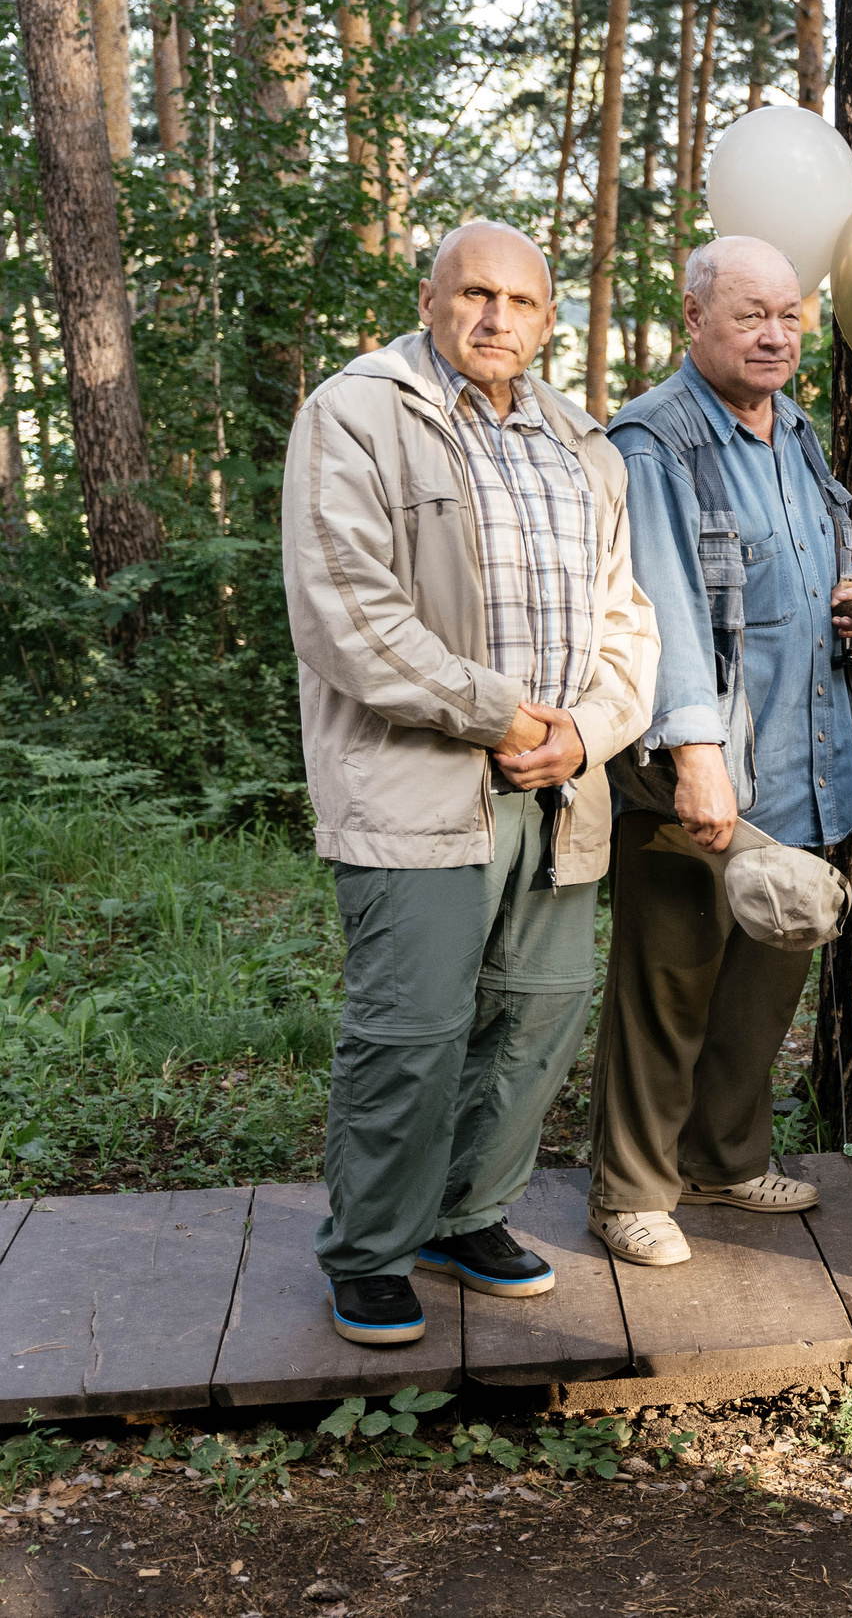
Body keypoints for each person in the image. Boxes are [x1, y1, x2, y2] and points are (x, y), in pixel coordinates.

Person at [281, 221, 660, 1345]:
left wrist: (585, 734)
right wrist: (503, 715)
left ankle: (464, 1213)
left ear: (551, 320)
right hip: (416, 787)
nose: (499, 320)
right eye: (476, 295)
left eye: (524, 303)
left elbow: (625, 621)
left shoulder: (581, 443)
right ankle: (370, 1251)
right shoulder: (357, 414)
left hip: (557, 788)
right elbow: (347, 616)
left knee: (535, 1019)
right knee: (413, 1031)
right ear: (431, 298)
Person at [583, 236, 852, 1267]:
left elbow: (796, 572)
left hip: (803, 763)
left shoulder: (793, 431)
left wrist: (850, 604)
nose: (774, 334)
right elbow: (659, 603)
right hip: (698, 771)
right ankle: (630, 1190)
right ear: (695, 316)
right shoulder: (655, 442)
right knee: (668, 986)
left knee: (766, 981)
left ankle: (723, 1156)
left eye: (789, 315)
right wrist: (694, 757)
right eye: (751, 313)